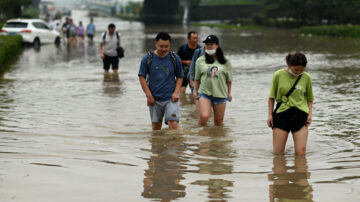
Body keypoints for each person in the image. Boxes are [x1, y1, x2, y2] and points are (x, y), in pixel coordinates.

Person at [267, 53, 314, 155]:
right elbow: (271, 97)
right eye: (296, 69)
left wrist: (310, 114)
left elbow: (310, 98)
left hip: (301, 116)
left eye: (302, 70)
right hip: (281, 115)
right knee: (278, 154)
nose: (299, 72)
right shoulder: (278, 75)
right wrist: (270, 115)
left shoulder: (306, 77)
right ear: (289, 65)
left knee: (301, 154)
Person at [138, 32, 184, 130]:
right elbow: (142, 77)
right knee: (156, 129)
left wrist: (176, 93)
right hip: (154, 99)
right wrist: (149, 95)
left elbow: (180, 76)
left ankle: (174, 145)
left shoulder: (175, 58)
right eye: (161, 46)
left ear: (170, 45)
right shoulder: (147, 58)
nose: (163, 49)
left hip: (171, 98)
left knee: (174, 125)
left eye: (166, 47)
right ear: (156, 44)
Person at [193, 35, 233, 126]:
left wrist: (229, 93)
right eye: (207, 45)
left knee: (218, 122)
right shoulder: (200, 61)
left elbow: (229, 79)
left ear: (217, 45)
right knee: (204, 116)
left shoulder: (226, 61)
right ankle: (200, 136)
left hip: (221, 94)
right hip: (205, 93)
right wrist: (195, 91)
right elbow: (197, 78)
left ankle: (216, 139)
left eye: (211, 44)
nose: (209, 46)